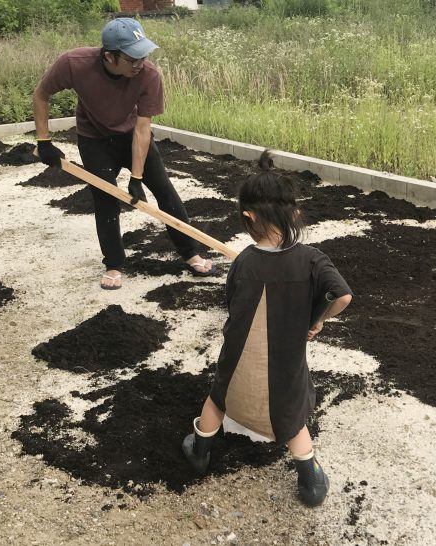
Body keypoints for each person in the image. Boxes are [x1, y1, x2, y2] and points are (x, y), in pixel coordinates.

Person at [182, 151, 353, 507]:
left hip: (239, 357)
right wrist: (318, 319)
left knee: (218, 397)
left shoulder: (244, 261)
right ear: (294, 213)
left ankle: (200, 450)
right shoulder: (312, 259)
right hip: (287, 362)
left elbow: (232, 303)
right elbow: (343, 296)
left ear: (248, 216)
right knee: (292, 421)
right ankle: (310, 483)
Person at [32, 17, 217, 290]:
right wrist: (44, 140)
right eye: (132, 58)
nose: (140, 63)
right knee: (105, 199)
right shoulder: (74, 63)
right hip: (93, 138)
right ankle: (114, 264)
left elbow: (143, 130)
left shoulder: (149, 75)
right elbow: (41, 94)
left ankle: (190, 252)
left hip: (131, 134)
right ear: (110, 56)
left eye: (143, 55)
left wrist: (137, 177)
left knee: (164, 191)